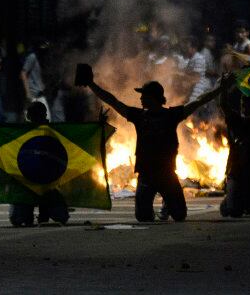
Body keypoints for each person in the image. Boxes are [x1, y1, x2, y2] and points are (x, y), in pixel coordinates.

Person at [76, 63, 231, 222]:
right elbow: (113, 101)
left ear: (154, 98)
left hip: (167, 175)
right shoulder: (139, 116)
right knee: (143, 217)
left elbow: (199, 100)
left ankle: (167, 203)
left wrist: (220, 88)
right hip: (146, 176)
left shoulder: (172, 115)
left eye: (144, 95)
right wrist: (91, 84)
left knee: (180, 215)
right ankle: (159, 206)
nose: (141, 98)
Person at [8, 102, 69, 226]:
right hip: (26, 184)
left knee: (61, 216)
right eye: (34, 115)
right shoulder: (22, 134)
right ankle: (30, 212)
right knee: (17, 219)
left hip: (48, 186)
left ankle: (44, 210)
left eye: (37, 114)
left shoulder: (51, 133)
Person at [21, 41, 50, 120]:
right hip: (32, 93)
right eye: (44, 45)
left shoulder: (43, 58)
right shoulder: (32, 56)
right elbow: (23, 73)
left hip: (40, 94)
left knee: (47, 118)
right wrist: (27, 92)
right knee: (29, 119)